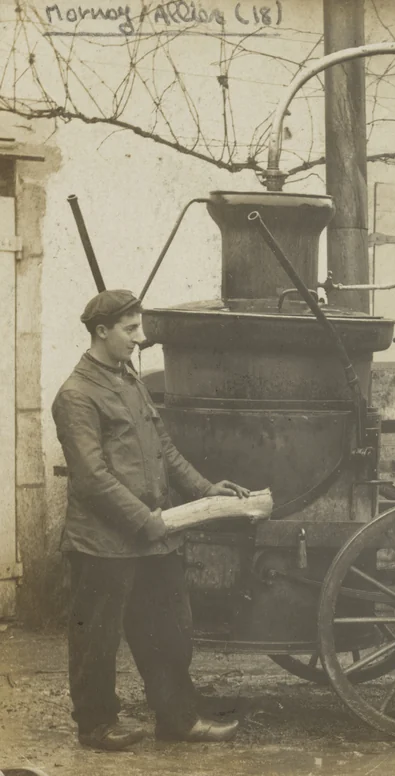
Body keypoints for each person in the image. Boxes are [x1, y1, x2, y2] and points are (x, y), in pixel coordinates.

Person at [52, 289, 251, 752]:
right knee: (95, 640)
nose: (140, 339)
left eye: (140, 327)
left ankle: (176, 720)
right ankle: (96, 727)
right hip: (102, 542)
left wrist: (204, 488)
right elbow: (92, 478)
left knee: (168, 632)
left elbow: (165, 449)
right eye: (130, 329)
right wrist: (145, 520)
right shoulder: (76, 395)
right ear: (102, 332)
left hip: (154, 535)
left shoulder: (129, 380)